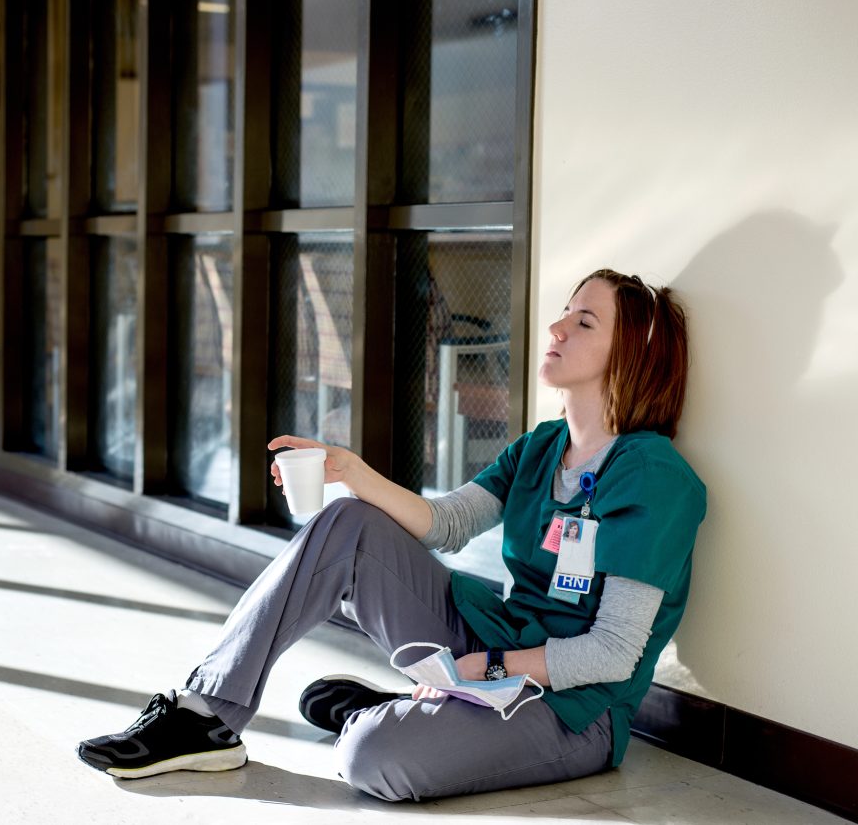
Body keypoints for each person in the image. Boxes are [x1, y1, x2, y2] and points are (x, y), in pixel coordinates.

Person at [76, 269, 706, 802]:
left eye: (585, 323)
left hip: (573, 708)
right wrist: (351, 472)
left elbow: (613, 653)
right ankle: (203, 715)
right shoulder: (543, 446)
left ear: (631, 357)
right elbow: (448, 523)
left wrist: (486, 668)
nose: (557, 328)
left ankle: (396, 717)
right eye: (565, 313)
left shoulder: (653, 478)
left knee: (369, 757)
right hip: (496, 644)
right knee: (349, 521)